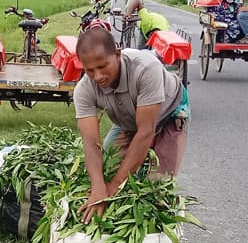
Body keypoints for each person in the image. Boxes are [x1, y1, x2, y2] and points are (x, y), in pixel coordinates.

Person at [74, 28, 190, 223]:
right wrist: (99, 187)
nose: (98, 76)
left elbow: (145, 131)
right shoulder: (84, 90)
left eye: (103, 66)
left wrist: (114, 186)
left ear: (117, 55)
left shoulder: (145, 68)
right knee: (108, 167)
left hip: (170, 112)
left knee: (158, 186)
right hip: (128, 120)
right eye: (90, 70)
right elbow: (91, 143)